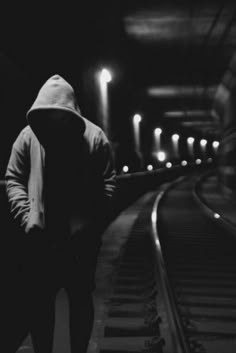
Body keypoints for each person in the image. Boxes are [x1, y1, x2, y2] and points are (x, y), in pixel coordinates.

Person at [5, 74, 116, 353]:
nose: (53, 122)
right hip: (42, 238)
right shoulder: (29, 136)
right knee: (41, 304)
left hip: (80, 240)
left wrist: (90, 222)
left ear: (70, 112)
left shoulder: (94, 137)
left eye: (59, 115)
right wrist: (26, 214)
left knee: (79, 299)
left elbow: (108, 182)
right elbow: (14, 178)